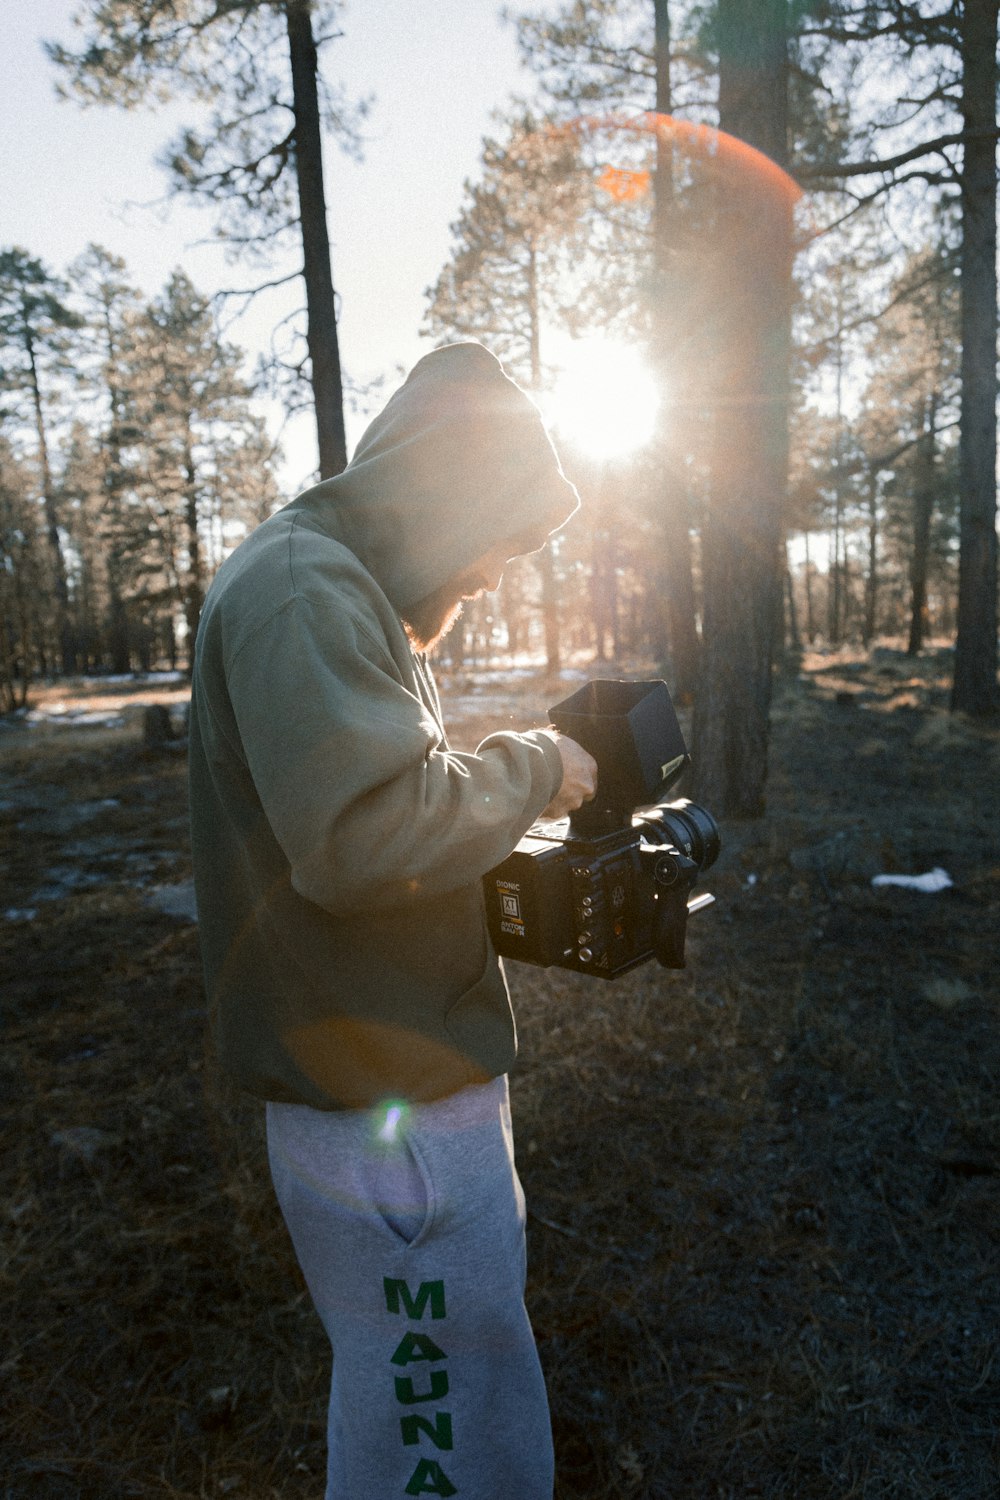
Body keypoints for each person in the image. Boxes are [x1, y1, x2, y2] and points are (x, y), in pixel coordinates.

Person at [188, 341, 598, 1500]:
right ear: (445, 498)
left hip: (402, 1095)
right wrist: (529, 771)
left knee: (440, 1405)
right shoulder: (303, 589)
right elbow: (363, 837)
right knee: (438, 1435)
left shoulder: (324, 587)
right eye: (495, 539)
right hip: (387, 1116)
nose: (492, 576)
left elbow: (363, 815)